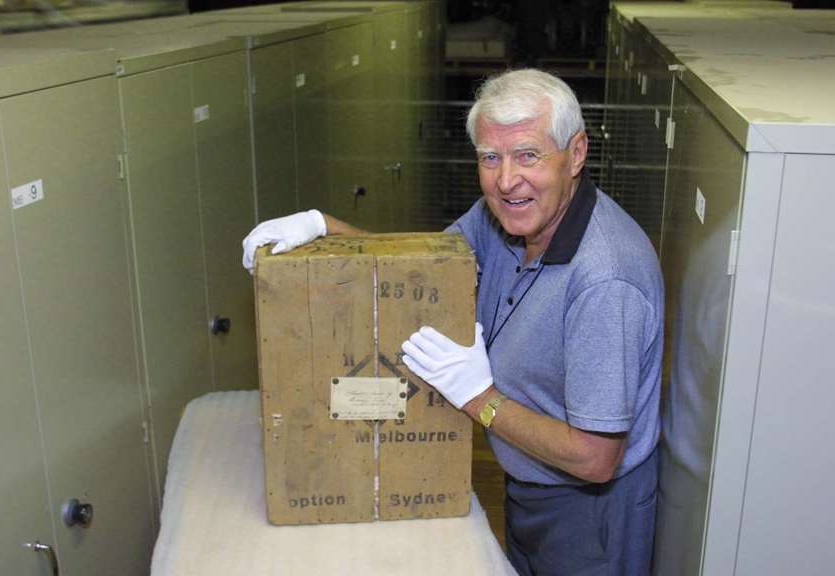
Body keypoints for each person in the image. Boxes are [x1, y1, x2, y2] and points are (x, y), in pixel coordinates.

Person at [242, 69, 664, 576]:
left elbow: (596, 458)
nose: (506, 180)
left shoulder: (605, 281)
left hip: (591, 512)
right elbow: (415, 272)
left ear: (575, 154)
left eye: (528, 154)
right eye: (490, 157)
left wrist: (480, 399)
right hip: (528, 480)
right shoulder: (505, 217)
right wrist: (322, 228)